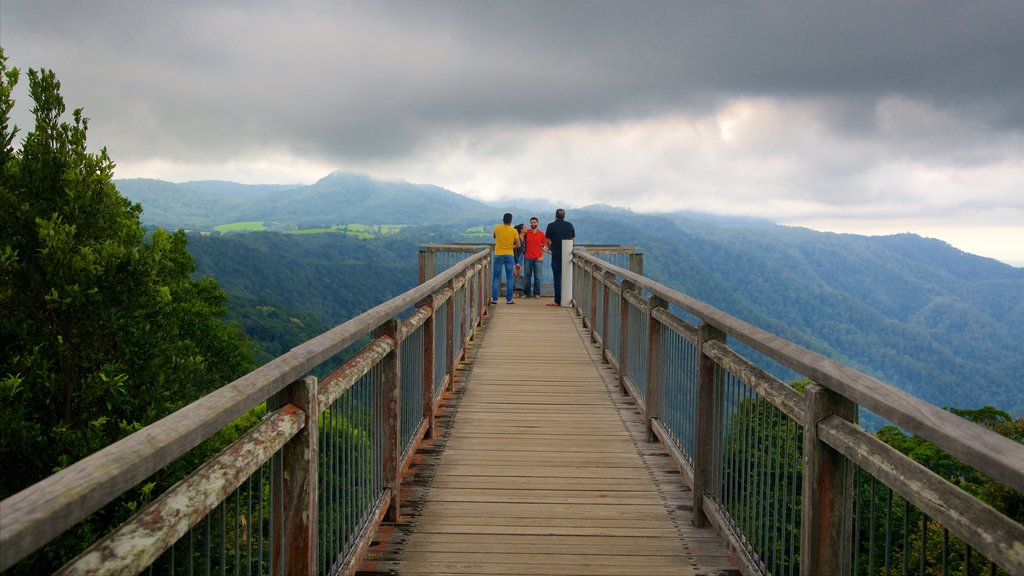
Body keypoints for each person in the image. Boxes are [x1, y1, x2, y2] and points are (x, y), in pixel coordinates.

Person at [544, 208, 575, 307]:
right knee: (567, 277)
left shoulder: (551, 226)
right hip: (567, 255)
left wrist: (550, 248)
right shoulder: (569, 225)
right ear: (564, 216)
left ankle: (557, 300)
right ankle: (568, 299)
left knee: (557, 278)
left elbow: (547, 239)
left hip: (556, 254)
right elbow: (572, 238)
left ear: (555, 216)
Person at [492, 213, 520, 304]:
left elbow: (495, 237)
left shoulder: (497, 228)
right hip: (509, 255)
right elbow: (518, 245)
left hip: (498, 254)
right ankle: (509, 299)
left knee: (496, 277)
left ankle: (495, 299)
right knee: (509, 277)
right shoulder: (514, 231)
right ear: (511, 221)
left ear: (503, 219)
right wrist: (511, 246)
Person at [522, 216, 547, 298]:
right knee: (527, 277)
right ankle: (527, 294)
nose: (533, 224)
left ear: (537, 223)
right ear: (530, 223)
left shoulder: (541, 234)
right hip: (527, 258)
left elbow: (546, 246)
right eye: (531, 222)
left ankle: (537, 293)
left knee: (538, 277)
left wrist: (542, 256)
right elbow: (519, 235)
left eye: (534, 222)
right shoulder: (527, 232)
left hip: (538, 259)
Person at [512, 223, 527, 298]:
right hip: (515, 259)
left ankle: (517, 292)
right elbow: (514, 250)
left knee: (518, 275)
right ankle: (512, 293)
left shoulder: (524, 238)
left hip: (520, 259)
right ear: (521, 230)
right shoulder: (517, 238)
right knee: (514, 275)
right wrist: (517, 262)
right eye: (525, 227)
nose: (526, 228)